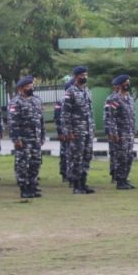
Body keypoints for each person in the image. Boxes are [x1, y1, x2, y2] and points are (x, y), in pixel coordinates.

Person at [9, 75, 45, 199]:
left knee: (35, 163)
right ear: (21, 88)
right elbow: (13, 123)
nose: (31, 88)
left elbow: (41, 120)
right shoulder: (16, 102)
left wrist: (42, 136)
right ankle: (24, 187)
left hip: (36, 138)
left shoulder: (36, 100)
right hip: (23, 139)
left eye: (32, 86)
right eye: (28, 86)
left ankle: (32, 185)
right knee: (23, 164)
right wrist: (16, 139)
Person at [61, 66, 95, 194]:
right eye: (81, 75)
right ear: (75, 77)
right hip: (76, 132)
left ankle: (83, 183)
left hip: (87, 131)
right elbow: (65, 114)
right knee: (76, 158)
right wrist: (68, 131)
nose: (84, 77)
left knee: (86, 156)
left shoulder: (87, 91)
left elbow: (90, 112)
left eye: (86, 75)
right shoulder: (70, 92)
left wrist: (92, 129)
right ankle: (76, 185)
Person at [105, 74, 136, 190]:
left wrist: (133, 130)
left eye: (128, 82)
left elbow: (132, 116)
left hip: (129, 133)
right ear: (120, 85)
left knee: (128, 157)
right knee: (120, 157)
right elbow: (110, 117)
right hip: (119, 133)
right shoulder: (114, 99)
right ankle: (119, 181)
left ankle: (125, 179)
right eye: (125, 83)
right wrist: (113, 133)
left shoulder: (130, 99)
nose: (127, 85)